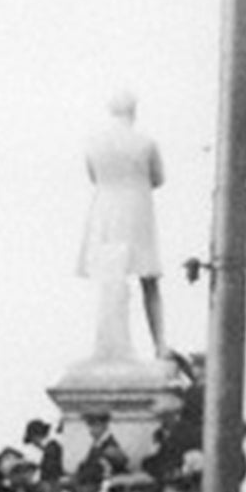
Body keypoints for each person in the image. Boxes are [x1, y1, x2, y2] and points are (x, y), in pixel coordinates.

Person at [78, 89, 167, 357]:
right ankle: (159, 344)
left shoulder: (94, 142)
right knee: (148, 279)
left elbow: (93, 175)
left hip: (105, 209)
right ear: (134, 110)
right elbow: (159, 177)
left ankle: (108, 343)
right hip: (137, 209)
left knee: (110, 278)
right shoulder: (146, 142)